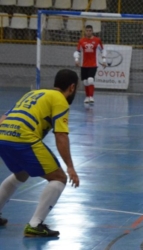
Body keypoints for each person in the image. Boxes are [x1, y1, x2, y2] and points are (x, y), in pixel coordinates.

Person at [0, 69, 80, 237]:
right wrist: (70, 167)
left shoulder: (34, 93)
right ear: (72, 87)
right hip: (23, 137)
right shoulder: (60, 100)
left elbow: (4, 118)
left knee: (21, 173)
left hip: (3, 135)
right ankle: (35, 225)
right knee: (59, 178)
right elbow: (60, 135)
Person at [74, 24, 106, 104]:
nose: (88, 32)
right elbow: (78, 51)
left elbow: (103, 50)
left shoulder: (97, 40)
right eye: (87, 31)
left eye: (90, 31)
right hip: (84, 64)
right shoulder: (81, 41)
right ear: (85, 31)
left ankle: (91, 96)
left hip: (93, 64)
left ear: (92, 31)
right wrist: (77, 59)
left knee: (90, 80)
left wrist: (104, 60)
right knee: (85, 81)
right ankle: (87, 97)